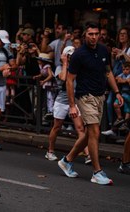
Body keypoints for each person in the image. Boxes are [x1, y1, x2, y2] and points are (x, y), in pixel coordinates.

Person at [58, 22, 124, 185]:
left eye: (96, 34)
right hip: (85, 97)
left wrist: (116, 92)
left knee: (89, 134)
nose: (94, 37)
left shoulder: (103, 50)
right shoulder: (79, 54)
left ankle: (67, 161)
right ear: (85, 35)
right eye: (90, 34)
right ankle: (97, 172)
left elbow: (107, 72)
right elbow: (69, 80)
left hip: (100, 96)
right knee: (94, 132)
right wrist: (72, 105)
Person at [45, 46, 91, 164]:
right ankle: (50, 151)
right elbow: (63, 78)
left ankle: (88, 154)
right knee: (57, 127)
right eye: (69, 55)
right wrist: (65, 62)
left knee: (80, 128)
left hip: (75, 102)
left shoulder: (78, 68)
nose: (72, 57)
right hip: (62, 101)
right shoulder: (60, 67)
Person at [32, 53, 55, 120]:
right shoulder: (41, 66)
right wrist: (37, 76)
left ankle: (50, 111)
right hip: (47, 83)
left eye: (39, 59)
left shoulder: (47, 66)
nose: (38, 60)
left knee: (50, 97)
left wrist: (44, 81)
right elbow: (42, 74)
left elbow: (50, 75)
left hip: (51, 82)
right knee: (47, 97)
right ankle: (49, 111)